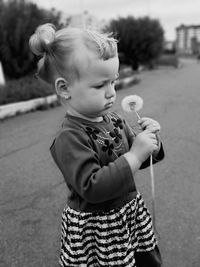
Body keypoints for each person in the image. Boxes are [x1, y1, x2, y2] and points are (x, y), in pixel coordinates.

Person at [29, 23, 165, 267]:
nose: (111, 93)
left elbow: (138, 158)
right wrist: (135, 154)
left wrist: (150, 142)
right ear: (64, 88)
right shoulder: (69, 137)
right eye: (100, 85)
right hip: (98, 229)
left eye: (113, 82)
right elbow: (93, 187)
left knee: (145, 259)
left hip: (128, 213)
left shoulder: (114, 119)